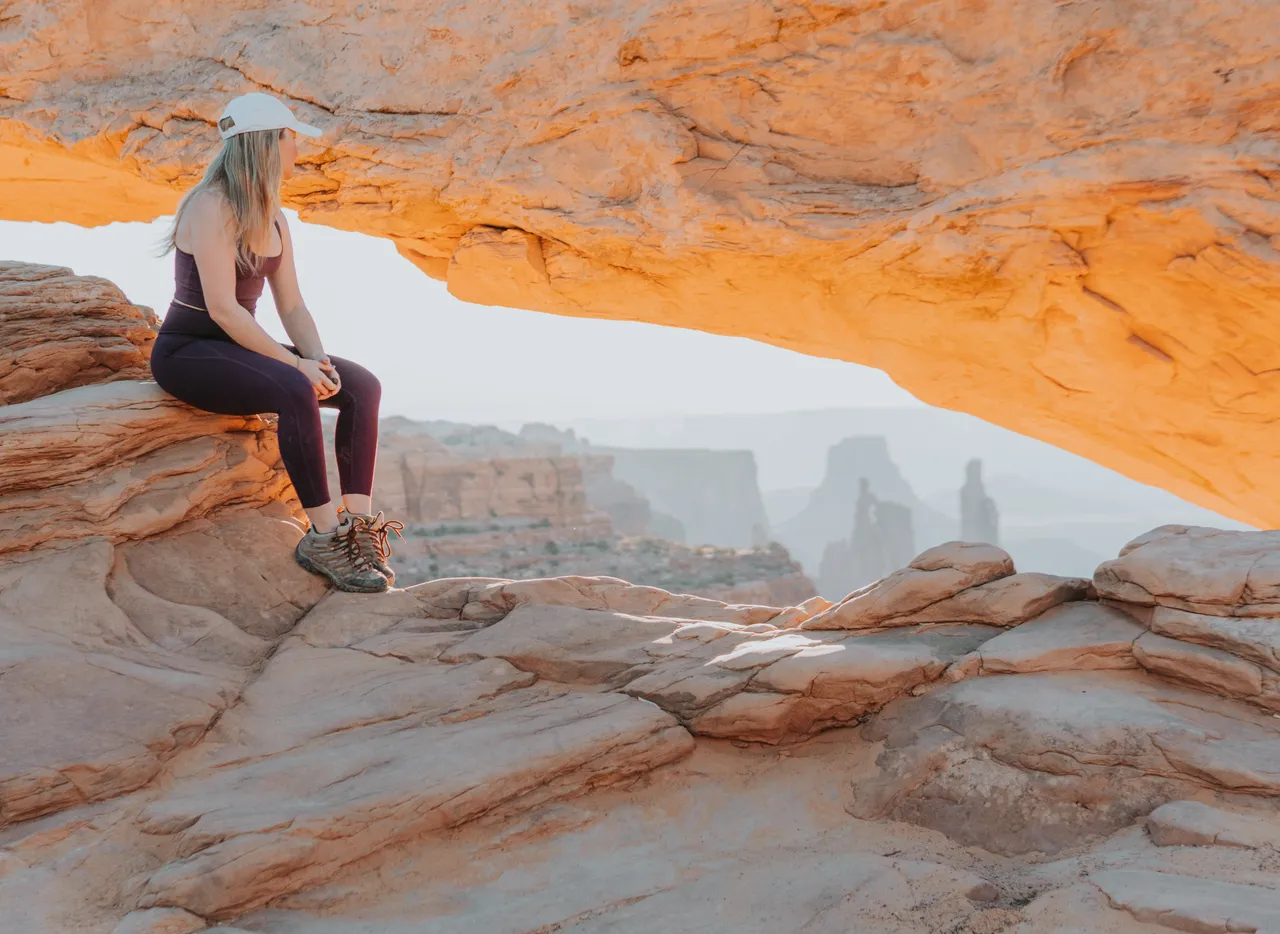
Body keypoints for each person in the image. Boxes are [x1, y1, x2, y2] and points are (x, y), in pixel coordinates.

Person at [151, 92, 402, 593]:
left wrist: (317, 360)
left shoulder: (274, 216)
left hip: (242, 344)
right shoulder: (210, 206)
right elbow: (222, 309)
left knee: (362, 386)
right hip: (188, 351)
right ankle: (325, 538)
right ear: (268, 142)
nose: (296, 151)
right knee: (292, 388)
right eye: (291, 140)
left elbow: (292, 306)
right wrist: (298, 371)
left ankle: (358, 525)